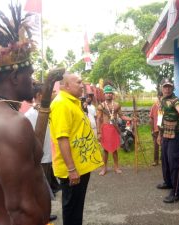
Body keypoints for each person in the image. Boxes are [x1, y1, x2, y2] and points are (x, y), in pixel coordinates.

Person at [0, 2, 51, 224]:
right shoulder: (13, 124)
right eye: (29, 73)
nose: (33, 80)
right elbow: (21, 209)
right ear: (14, 77)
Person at [49, 72, 103, 225]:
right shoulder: (61, 104)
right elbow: (62, 138)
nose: (82, 86)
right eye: (78, 82)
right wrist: (71, 169)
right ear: (66, 86)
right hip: (73, 169)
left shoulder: (72, 102)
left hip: (80, 166)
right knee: (72, 209)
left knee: (76, 207)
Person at [156, 78, 179, 203]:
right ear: (161, 88)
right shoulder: (161, 100)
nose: (167, 89)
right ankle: (168, 182)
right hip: (164, 134)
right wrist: (159, 134)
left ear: (172, 88)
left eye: (169, 87)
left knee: (174, 162)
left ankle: (177, 191)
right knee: (165, 160)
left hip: (175, 136)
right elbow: (160, 119)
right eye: (165, 87)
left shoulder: (174, 100)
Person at [25, 83, 60, 195]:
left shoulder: (48, 110)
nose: (51, 95)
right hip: (42, 158)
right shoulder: (30, 115)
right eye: (48, 92)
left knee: (50, 187)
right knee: (43, 189)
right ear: (40, 95)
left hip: (50, 154)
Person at [97, 84, 132, 175]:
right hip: (105, 128)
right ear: (104, 94)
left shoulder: (116, 105)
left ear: (112, 94)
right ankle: (104, 168)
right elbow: (98, 119)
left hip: (114, 129)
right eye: (107, 93)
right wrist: (98, 132)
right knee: (105, 149)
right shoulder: (101, 106)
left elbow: (122, 116)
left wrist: (131, 119)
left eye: (110, 93)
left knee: (114, 149)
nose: (109, 94)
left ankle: (116, 167)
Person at [149, 91, 163, 166]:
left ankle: (163, 159)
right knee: (156, 145)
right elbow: (151, 119)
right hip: (157, 129)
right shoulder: (155, 106)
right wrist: (152, 130)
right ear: (158, 97)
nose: (162, 98)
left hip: (165, 129)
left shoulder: (166, 105)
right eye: (161, 96)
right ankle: (156, 160)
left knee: (164, 145)